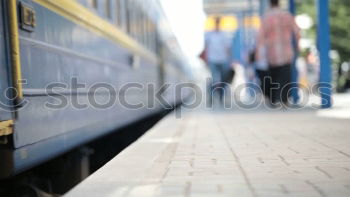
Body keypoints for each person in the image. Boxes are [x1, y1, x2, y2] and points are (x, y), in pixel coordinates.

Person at [257, 0, 300, 106]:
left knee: (274, 76)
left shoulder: (267, 18)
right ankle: (285, 99)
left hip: (272, 53)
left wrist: (259, 53)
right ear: (279, 3)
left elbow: (261, 36)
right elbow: (297, 31)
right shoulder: (287, 16)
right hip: (286, 51)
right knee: (286, 75)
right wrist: (297, 46)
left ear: (270, 4)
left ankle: (274, 99)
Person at [204, 17, 231, 106]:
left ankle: (220, 98)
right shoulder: (209, 35)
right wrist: (206, 60)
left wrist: (229, 60)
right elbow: (206, 48)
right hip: (212, 60)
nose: (217, 24)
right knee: (215, 79)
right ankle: (210, 97)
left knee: (223, 81)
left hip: (223, 60)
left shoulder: (224, 35)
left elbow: (228, 48)